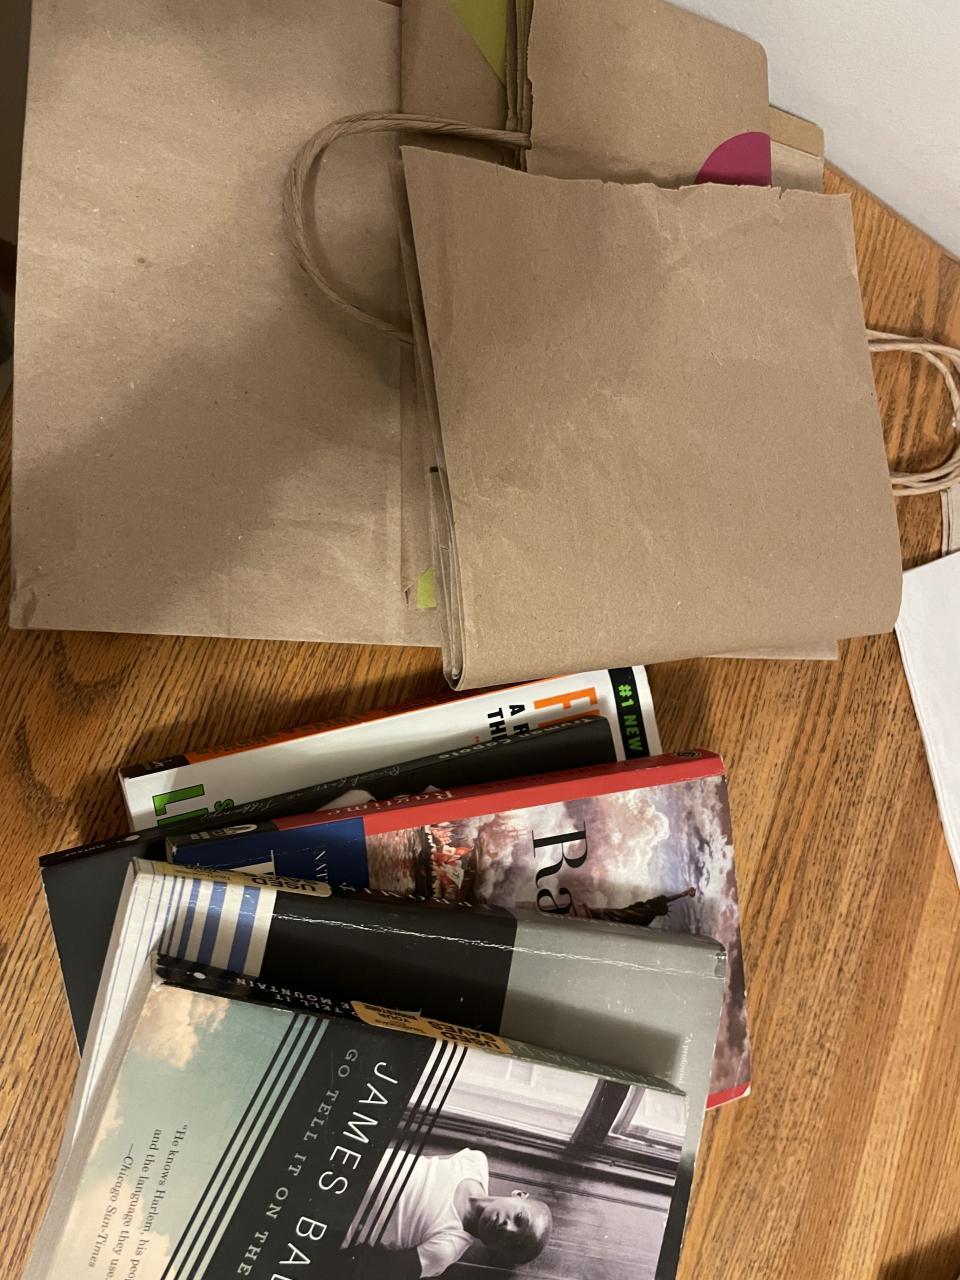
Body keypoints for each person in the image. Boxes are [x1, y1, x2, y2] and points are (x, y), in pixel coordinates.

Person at [347, 1148, 552, 1278]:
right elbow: (420, 1161)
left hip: (338, 1209)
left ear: (496, 1251)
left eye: (510, 1242)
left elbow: (377, 1271)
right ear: (520, 1195)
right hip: (352, 1154)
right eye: (519, 1218)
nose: (507, 1228)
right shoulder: (474, 1161)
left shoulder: (446, 1248)